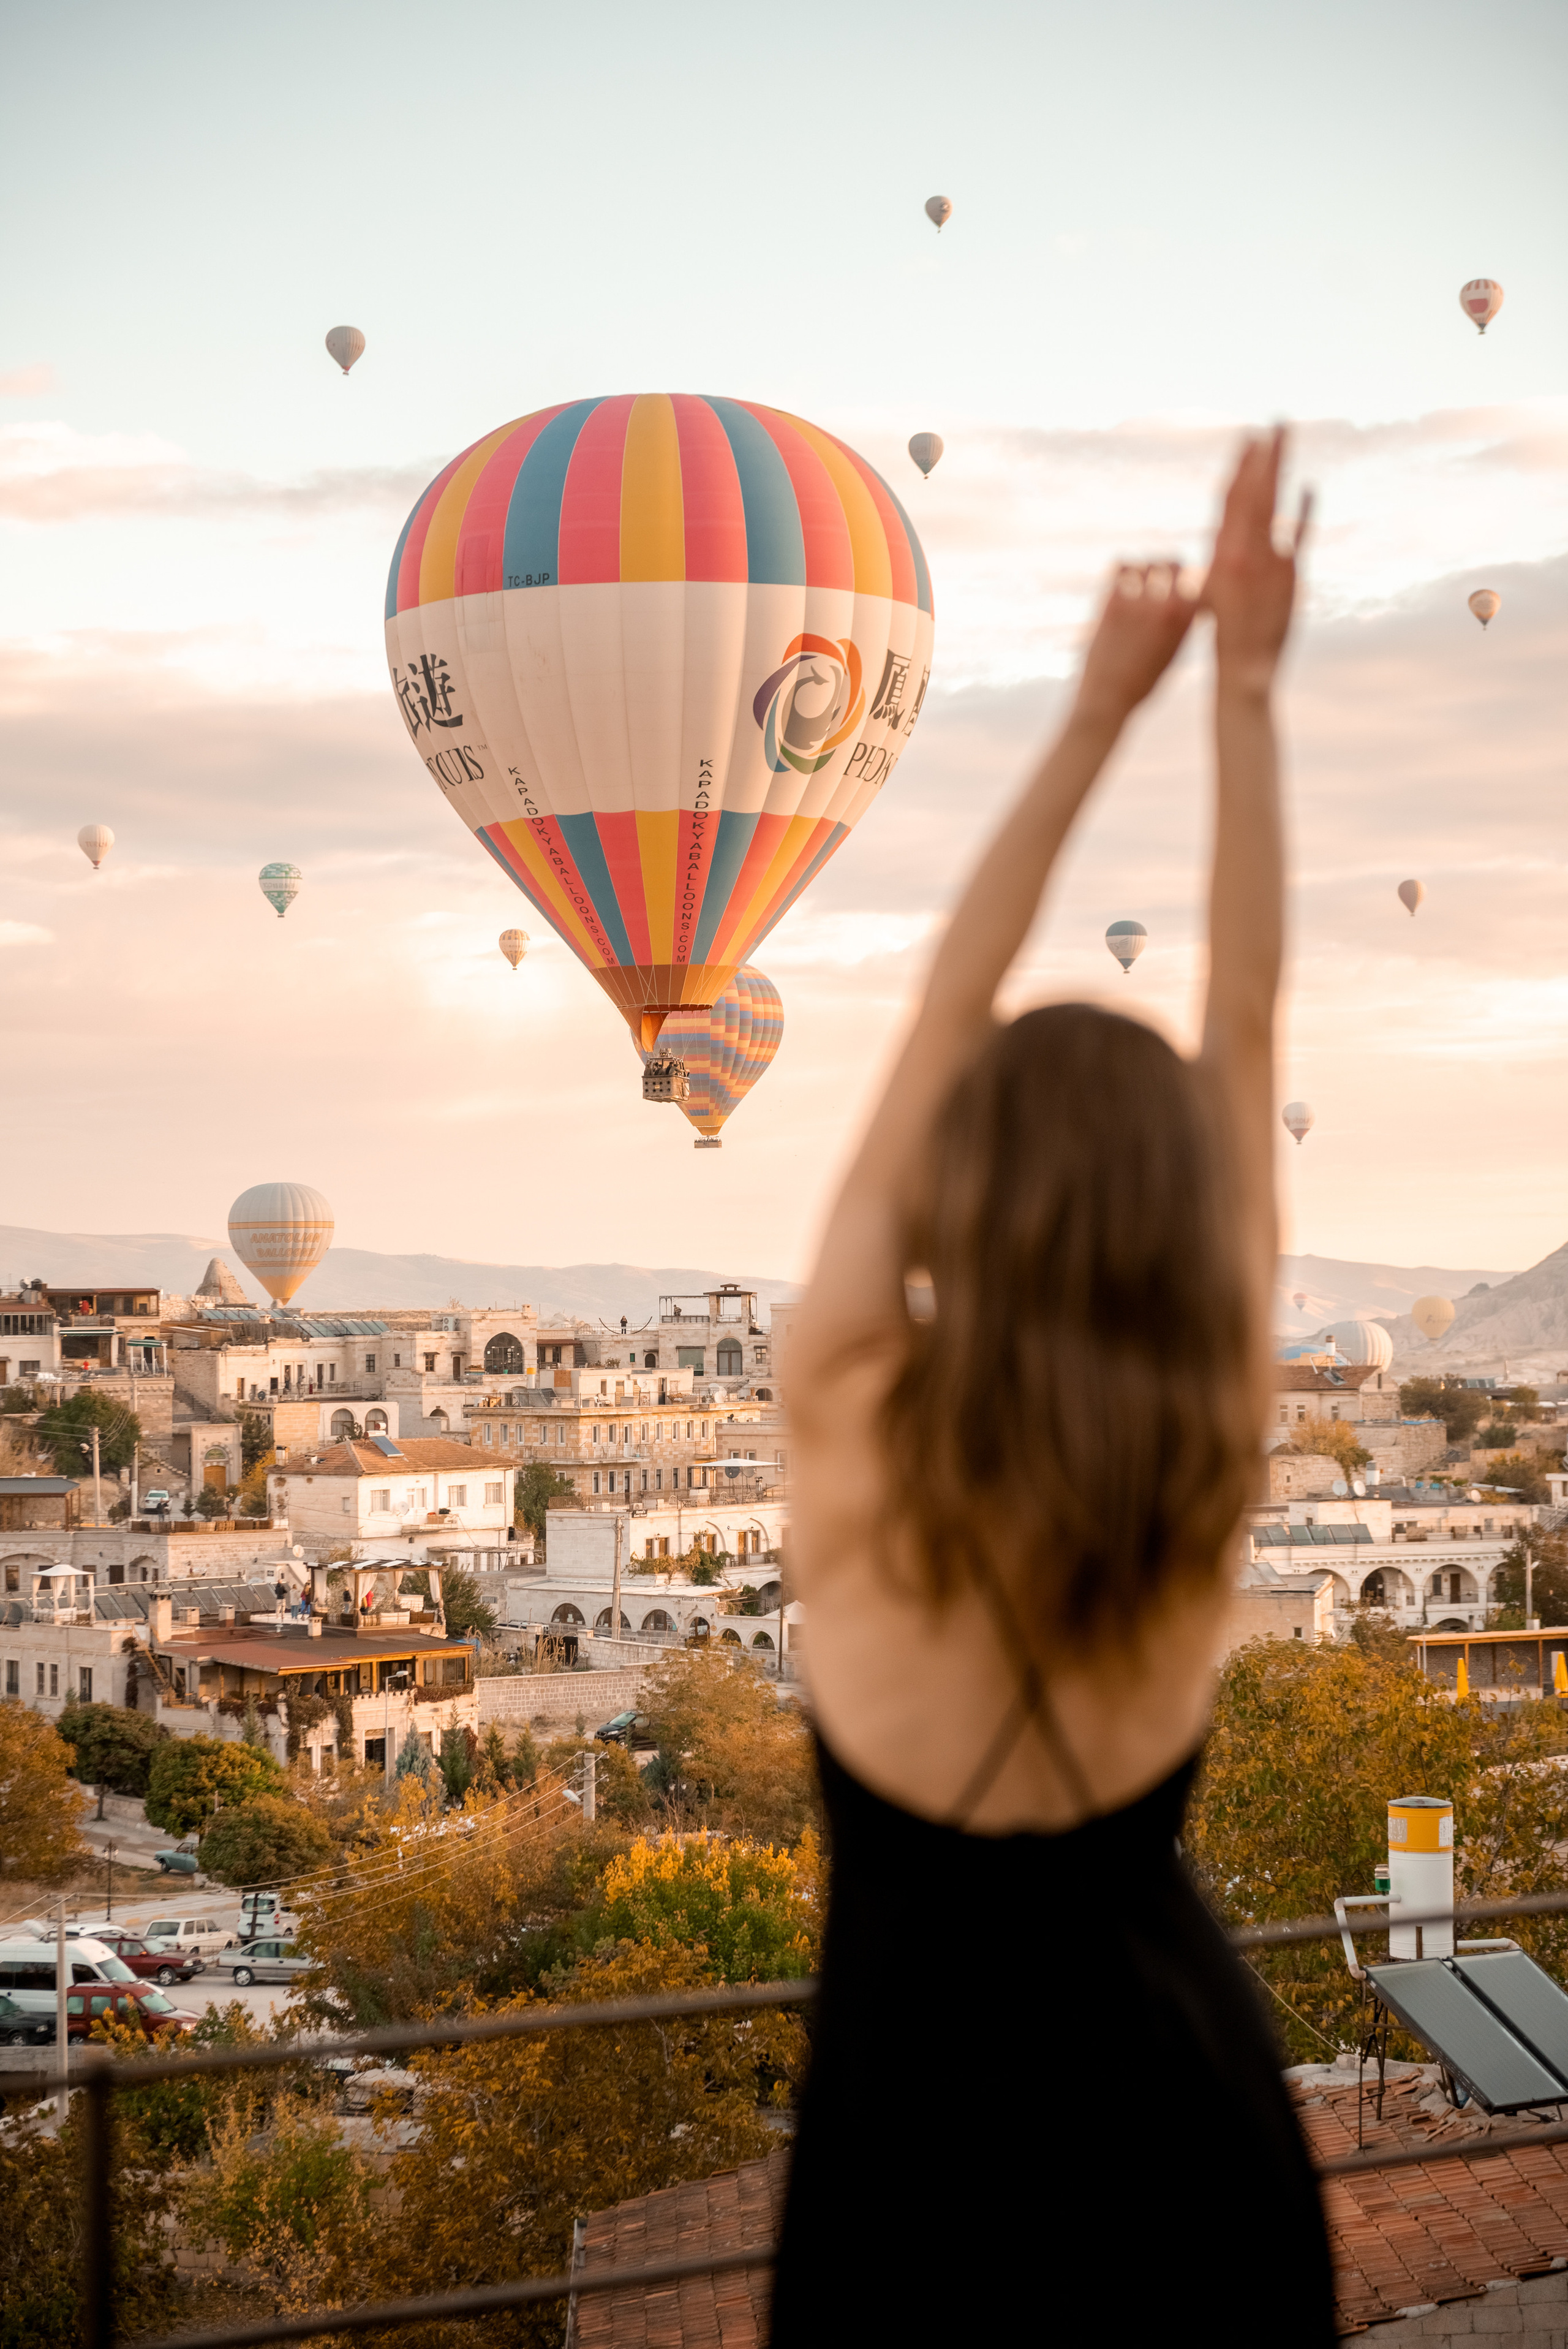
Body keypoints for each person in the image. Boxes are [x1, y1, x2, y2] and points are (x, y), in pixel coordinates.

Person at [772, 433, 1335, 2343]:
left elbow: (947, 1005)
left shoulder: (845, 1409)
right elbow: (1246, 1019)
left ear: (958, 1183)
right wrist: (1245, 693)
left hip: (907, 2154)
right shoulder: (1208, 1436)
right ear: (1183, 1218)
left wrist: (1104, 708)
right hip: (1189, 2129)